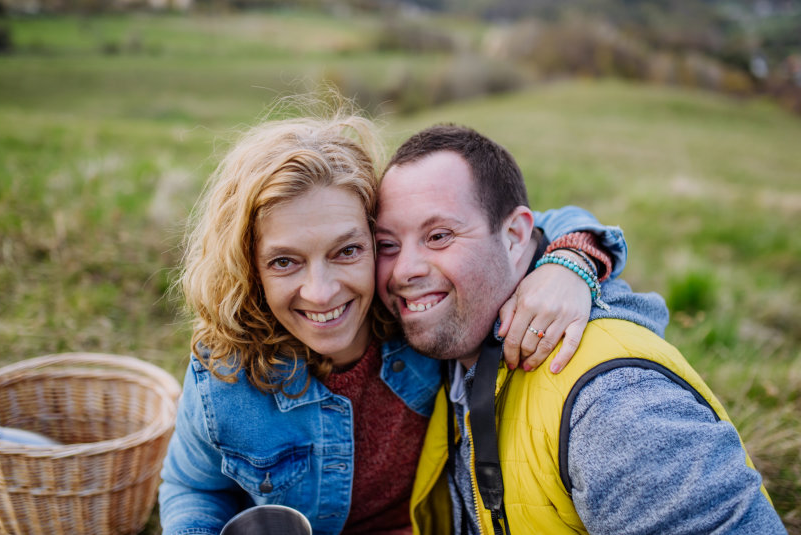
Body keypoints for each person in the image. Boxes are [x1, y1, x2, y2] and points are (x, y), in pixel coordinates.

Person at [157, 110, 636, 535]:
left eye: (347, 251)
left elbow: (517, 226)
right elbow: (192, 486)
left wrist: (570, 262)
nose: (321, 292)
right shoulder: (225, 374)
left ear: (377, 238)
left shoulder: (420, 323)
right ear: (249, 266)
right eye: (285, 262)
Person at [374, 124, 788, 534]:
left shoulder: (616, 407)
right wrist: (574, 254)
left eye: (440, 236)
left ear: (517, 235)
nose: (405, 270)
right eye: (387, 245)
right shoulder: (457, 334)